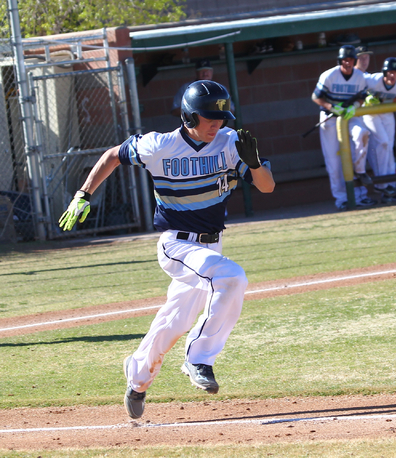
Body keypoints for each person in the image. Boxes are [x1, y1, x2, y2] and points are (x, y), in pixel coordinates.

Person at [58, 81, 275, 420]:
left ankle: (137, 378)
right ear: (189, 116)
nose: (216, 124)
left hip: (210, 246)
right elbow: (113, 155)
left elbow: (267, 187)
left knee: (177, 319)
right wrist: (83, 194)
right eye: (208, 118)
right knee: (232, 278)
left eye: (221, 117)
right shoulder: (160, 145)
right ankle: (199, 359)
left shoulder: (232, 143)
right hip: (177, 243)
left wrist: (255, 163)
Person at [312, 45, 376, 210]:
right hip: (330, 117)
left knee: (362, 134)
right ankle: (342, 199)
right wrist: (331, 107)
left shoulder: (360, 77)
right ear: (340, 61)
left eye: (350, 60)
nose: (348, 63)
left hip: (349, 115)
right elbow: (316, 97)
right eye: (345, 60)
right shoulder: (329, 75)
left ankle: (361, 190)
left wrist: (354, 105)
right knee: (333, 161)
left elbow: (362, 97)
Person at [362, 57, 396, 202]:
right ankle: (381, 183)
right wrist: (366, 98)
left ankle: (389, 186)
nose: (392, 75)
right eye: (389, 72)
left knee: (388, 147)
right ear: (384, 72)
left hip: (388, 113)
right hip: (370, 113)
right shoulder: (373, 80)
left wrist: (384, 101)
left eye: (395, 72)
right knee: (382, 143)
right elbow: (358, 85)